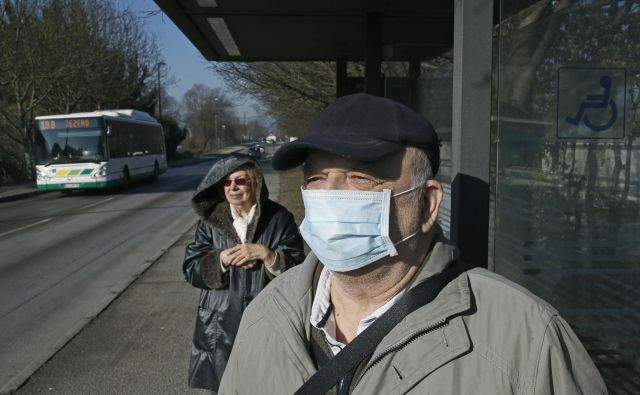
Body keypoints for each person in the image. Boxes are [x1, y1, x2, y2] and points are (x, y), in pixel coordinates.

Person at [218, 94, 607, 394]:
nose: (330, 196)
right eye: (317, 179)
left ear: (426, 204)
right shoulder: (267, 316)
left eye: (360, 179)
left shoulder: (528, 340)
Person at [183, 154, 305, 393]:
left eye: (241, 181)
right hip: (220, 325)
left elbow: (299, 271)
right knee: (225, 386)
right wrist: (220, 259)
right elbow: (190, 268)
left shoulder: (279, 219)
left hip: (268, 318)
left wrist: (267, 255)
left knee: (267, 385)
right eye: (227, 183)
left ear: (255, 183)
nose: (233, 187)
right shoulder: (209, 224)